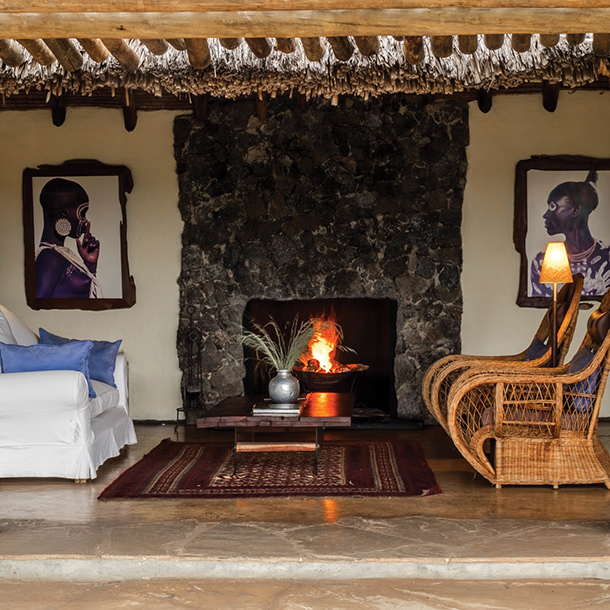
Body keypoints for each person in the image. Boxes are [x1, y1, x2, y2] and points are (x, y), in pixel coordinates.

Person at [531, 171, 610, 297]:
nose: (545, 215)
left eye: (553, 206)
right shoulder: (541, 264)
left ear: (576, 210)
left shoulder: (607, 257)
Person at [35, 178, 103, 299]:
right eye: (83, 213)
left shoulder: (59, 255)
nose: (85, 220)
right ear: (63, 215)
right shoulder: (50, 259)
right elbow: (37, 309)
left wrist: (90, 265)